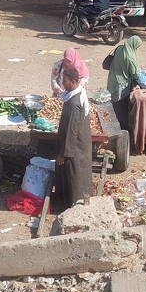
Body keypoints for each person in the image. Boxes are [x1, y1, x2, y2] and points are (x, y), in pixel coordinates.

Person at [53, 67, 92, 211]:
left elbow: (72, 130)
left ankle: (75, 203)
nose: (63, 83)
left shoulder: (74, 103)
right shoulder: (75, 95)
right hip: (78, 143)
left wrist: (64, 153)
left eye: (65, 81)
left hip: (76, 146)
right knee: (76, 173)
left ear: (74, 81)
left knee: (75, 174)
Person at [107, 35, 142, 132]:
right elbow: (135, 73)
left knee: (114, 104)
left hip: (112, 80)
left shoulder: (120, 49)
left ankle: (113, 122)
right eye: (137, 47)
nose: (136, 49)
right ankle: (122, 129)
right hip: (121, 85)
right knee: (121, 106)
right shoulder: (130, 57)